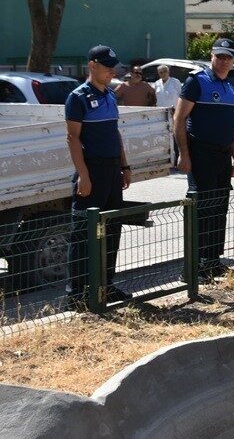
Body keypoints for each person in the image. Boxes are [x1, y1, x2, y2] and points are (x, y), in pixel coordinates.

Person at [65, 45, 133, 304]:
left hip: (113, 170)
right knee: (84, 233)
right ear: (92, 65)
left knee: (112, 229)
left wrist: (124, 167)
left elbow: (115, 133)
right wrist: (83, 175)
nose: (112, 71)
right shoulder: (78, 97)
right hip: (92, 170)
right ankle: (77, 293)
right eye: (107, 67)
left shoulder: (111, 95)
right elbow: (73, 138)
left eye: (114, 67)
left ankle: (106, 285)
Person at [174, 38, 234, 280]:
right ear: (211, 56)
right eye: (219, 56)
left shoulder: (229, 87)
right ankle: (192, 270)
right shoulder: (196, 81)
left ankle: (212, 262)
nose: (223, 61)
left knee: (218, 209)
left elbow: (231, 126)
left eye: (228, 57)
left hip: (222, 156)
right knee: (201, 210)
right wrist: (183, 154)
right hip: (200, 154)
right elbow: (179, 118)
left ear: (233, 61)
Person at [154, 65, 182, 165]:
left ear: (168, 72)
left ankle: (177, 159)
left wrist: (178, 111)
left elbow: (181, 97)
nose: (163, 74)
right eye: (161, 72)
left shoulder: (175, 82)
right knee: (163, 136)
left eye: (165, 71)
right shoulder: (157, 83)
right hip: (161, 114)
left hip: (174, 112)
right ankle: (166, 159)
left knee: (175, 136)